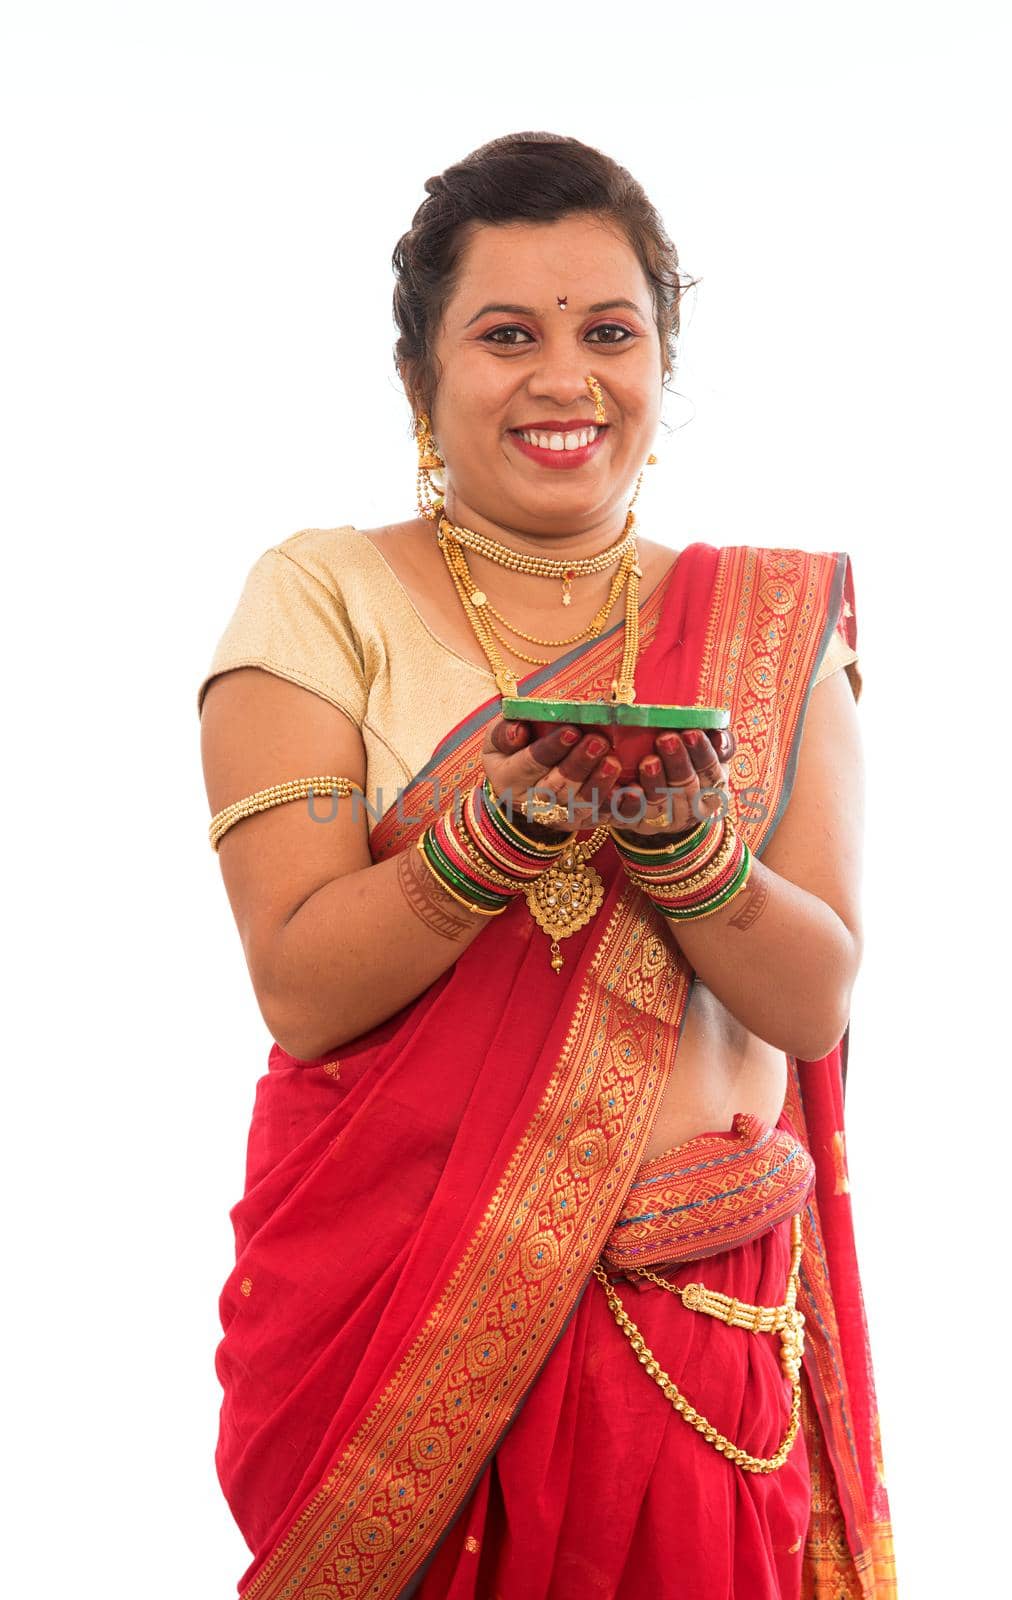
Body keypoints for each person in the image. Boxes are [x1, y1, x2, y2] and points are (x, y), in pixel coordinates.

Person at [197, 133, 896, 1600]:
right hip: (402, 1329)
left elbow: (815, 999)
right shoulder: (322, 593)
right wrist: (493, 839)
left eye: (610, 332)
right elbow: (301, 992)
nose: (564, 379)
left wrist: (689, 855)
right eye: (506, 334)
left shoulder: (770, 628)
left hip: (699, 1337)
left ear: (661, 358)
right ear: (421, 379)